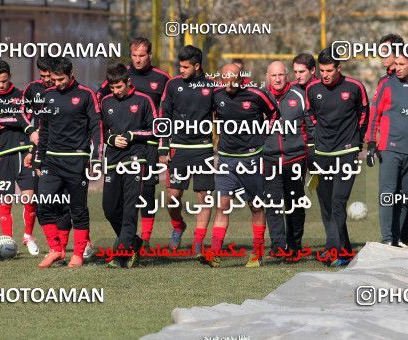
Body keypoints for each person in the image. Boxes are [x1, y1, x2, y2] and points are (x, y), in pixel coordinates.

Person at [96, 37, 170, 249]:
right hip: (117, 151)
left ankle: (143, 239)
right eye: (134, 56)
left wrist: (164, 145)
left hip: (148, 145)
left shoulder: (162, 78)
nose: (137, 60)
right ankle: (132, 240)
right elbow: (98, 104)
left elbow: (164, 116)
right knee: (114, 204)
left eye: (142, 55)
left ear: (150, 55)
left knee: (145, 192)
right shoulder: (117, 79)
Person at [207, 63, 279, 268]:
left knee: (255, 206)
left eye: (232, 82)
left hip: (251, 159)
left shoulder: (257, 94)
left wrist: (263, 136)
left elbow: (275, 113)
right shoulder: (217, 94)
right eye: (224, 82)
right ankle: (215, 254)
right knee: (222, 206)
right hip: (226, 159)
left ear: (240, 79)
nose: (228, 87)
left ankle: (257, 253)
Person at [36, 57, 103, 268]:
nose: (57, 83)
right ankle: (56, 249)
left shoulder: (86, 94)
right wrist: (39, 157)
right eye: (53, 80)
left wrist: (95, 157)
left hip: (76, 160)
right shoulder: (47, 96)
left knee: (78, 209)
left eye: (60, 79)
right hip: (52, 161)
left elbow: (96, 128)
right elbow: (44, 129)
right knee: (43, 205)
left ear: (70, 74)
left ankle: (78, 254)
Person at [305, 48, 369, 266]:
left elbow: (364, 113)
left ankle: (337, 252)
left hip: (347, 152)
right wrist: (314, 143)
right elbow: (309, 114)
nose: (325, 74)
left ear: (339, 68)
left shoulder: (355, 87)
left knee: (338, 202)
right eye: (322, 70)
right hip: (322, 154)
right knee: (327, 205)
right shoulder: (313, 89)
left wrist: (357, 142)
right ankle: (344, 248)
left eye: (329, 70)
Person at [365, 45, 408, 246]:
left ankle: (398, 238)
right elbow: (375, 113)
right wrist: (372, 142)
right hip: (390, 149)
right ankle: (387, 239)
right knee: (387, 194)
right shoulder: (387, 85)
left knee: (405, 198)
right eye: (396, 64)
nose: (397, 68)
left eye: (402, 64)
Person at [158, 45, 215, 255]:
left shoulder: (212, 87)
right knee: (172, 198)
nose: (181, 70)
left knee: (204, 197)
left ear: (197, 66)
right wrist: (163, 149)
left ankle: (198, 242)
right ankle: (178, 226)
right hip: (178, 149)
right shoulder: (173, 85)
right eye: (179, 66)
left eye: (185, 67)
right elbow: (164, 118)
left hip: (203, 149)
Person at [101, 63, 157, 268]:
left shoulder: (144, 101)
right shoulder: (105, 101)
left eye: (119, 87)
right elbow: (101, 131)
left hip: (135, 159)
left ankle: (121, 254)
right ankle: (133, 241)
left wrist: (132, 135)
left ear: (128, 83)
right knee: (109, 209)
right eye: (112, 88)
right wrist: (111, 141)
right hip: (113, 160)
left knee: (129, 209)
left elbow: (155, 129)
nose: (115, 92)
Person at [0, 60, 38, 255]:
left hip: (23, 153)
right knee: (6, 200)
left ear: (9, 77)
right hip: (2, 156)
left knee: (30, 198)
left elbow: (28, 120)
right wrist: (13, 119)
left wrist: (0, 117)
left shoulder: (22, 97)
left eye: (4, 80)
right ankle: (8, 241)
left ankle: (28, 237)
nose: (2, 85)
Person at [23, 56, 72, 260]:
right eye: (42, 76)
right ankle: (43, 242)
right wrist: (31, 134)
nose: (46, 80)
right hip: (41, 151)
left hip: (67, 154)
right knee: (42, 198)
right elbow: (22, 113)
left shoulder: (69, 91)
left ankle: (74, 244)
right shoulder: (33, 90)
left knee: (68, 201)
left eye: (48, 76)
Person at [263, 61, 307, 262]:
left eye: (281, 75)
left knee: (295, 204)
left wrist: (308, 149)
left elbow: (310, 124)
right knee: (272, 204)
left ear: (286, 75)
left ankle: (295, 245)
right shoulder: (260, 97)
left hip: (295, 158)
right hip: (269, 159)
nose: (278, 79)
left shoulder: (299, 95)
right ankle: (279, 246)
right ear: (267, 77)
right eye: (274, 76)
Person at [292, 53, 317, 172]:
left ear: (312, 70)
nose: (297, 75)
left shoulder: (323, 87)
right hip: (296, 148)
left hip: (318, 145)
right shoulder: (290, 89)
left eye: (301, 72)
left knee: (323, 186)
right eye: (295, 72)